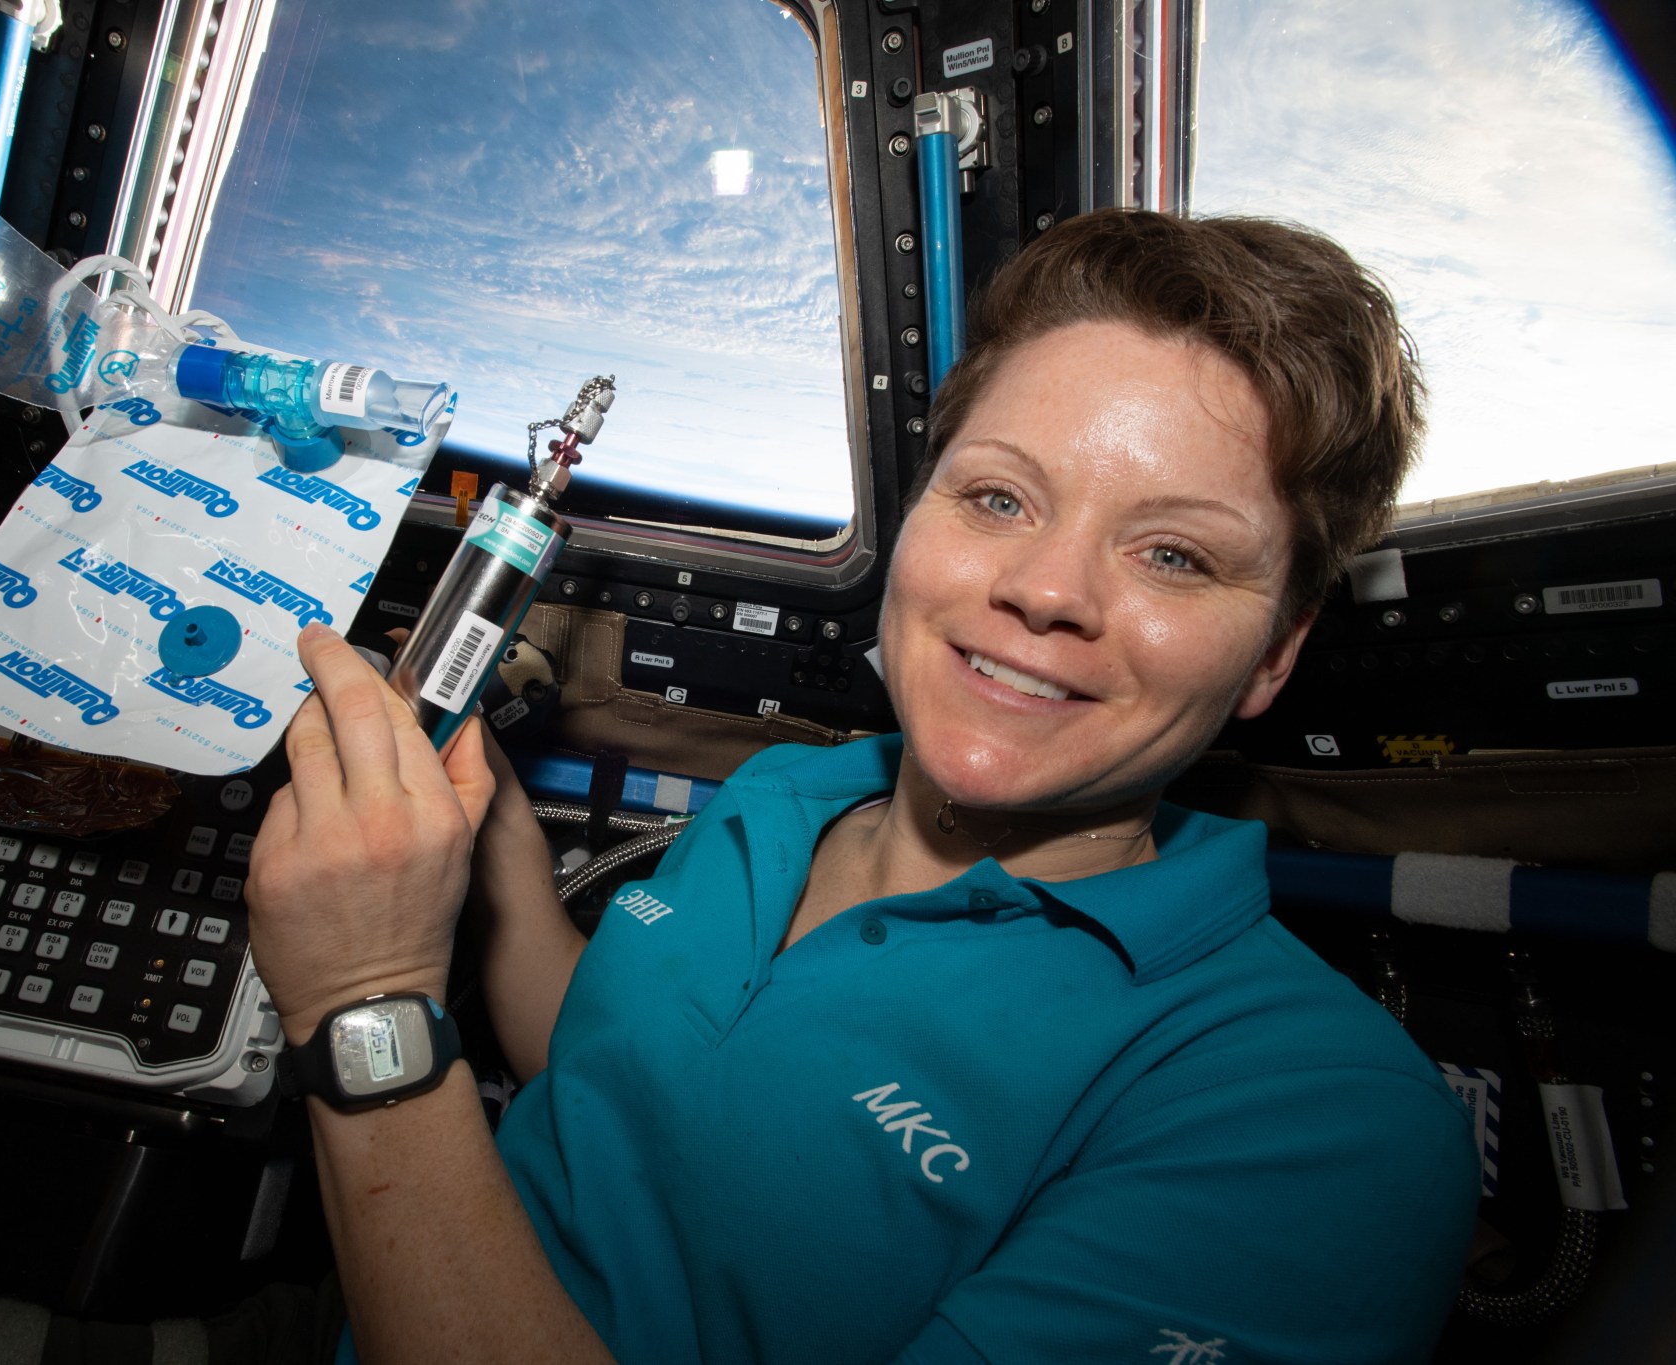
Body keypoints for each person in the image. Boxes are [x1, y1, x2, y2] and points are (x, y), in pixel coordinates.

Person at [245, 209, 1480, 1365]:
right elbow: (610, 1074)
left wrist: (365, 1003)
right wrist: (490, 831)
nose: (1046, 590)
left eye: (1172, 554)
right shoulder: (784, 795)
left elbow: (384, 1024)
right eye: (998, 496)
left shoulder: (1314, 1125)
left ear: (1274, 650)